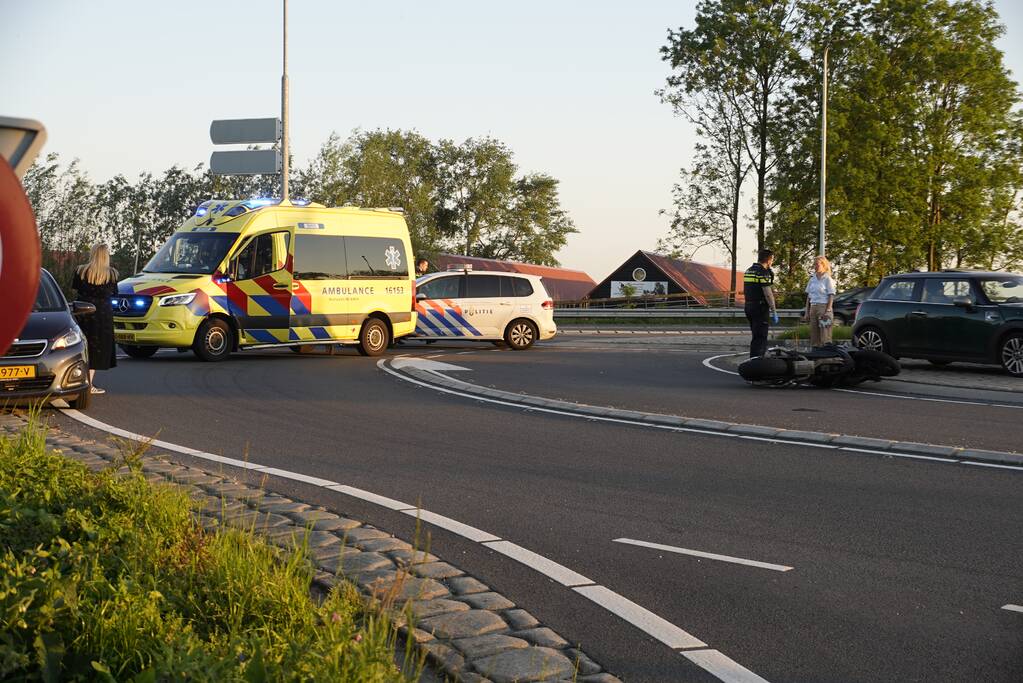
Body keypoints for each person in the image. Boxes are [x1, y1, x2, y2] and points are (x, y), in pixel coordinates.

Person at [72, 244, 118, 394]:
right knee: (98, 349)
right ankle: (89, 383)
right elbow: (114, 293)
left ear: (92, 254)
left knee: (82, 346)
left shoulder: (80, 271)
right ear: (106, 256)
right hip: (103, 315)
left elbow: (76, 289)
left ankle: (77, 380)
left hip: (83, 312)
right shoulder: (112, 274)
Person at [743, 248, 778, 358]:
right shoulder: (763, 273)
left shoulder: (748, 270)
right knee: (761, 336)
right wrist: (774, 310)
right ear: (769, 260)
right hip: (760, 308)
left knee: (755, 335)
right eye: (772, 260)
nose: (772, 262)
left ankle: (753, 358)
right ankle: (758, 360)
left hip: (748, 306)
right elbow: (768, 293)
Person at [804, 255, 837, 347]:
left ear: (823, 265)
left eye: (817, 264)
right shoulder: (812, 279)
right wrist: (807, 312)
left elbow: (831, 295)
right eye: (814, 264)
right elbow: (808, 297)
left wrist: (828, 310)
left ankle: (826, 352)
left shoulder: (827, 279)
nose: (815, 266)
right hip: (813, 307)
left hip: (823, 307)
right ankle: (815, 351)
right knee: (814, 334)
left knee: (825, 334)